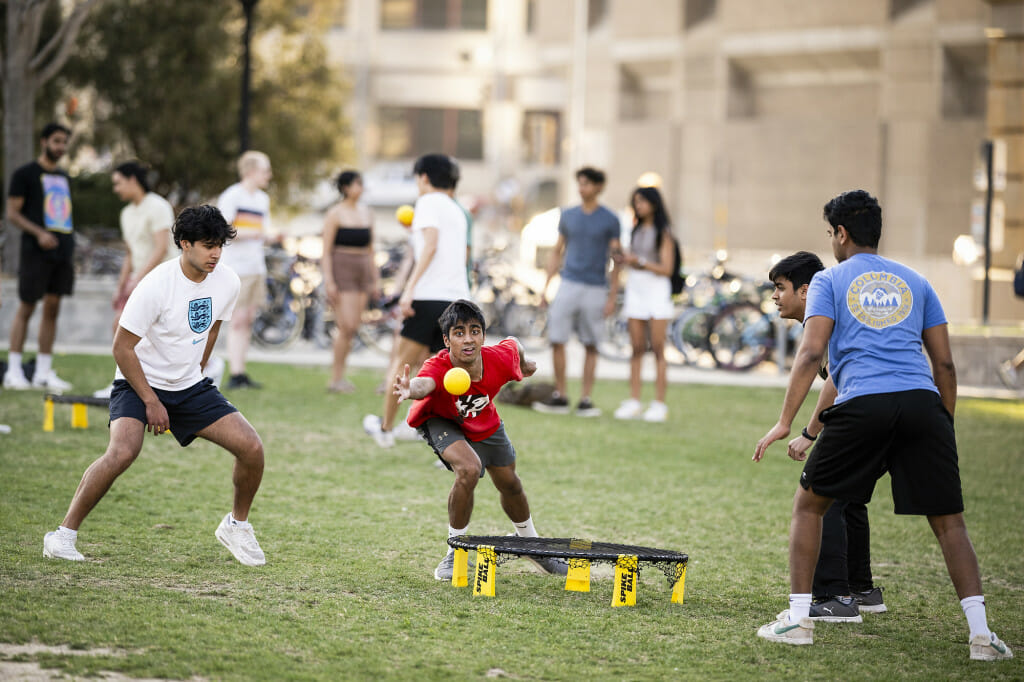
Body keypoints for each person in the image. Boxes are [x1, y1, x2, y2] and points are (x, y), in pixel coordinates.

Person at [752, 190, 1012, 661]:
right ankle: (982, 635)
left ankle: (797, 620)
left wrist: (783, 422)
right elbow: (946, 366)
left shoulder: (829, 280)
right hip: (922, 404)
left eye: (831, 233)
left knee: (809, 507)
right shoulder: (917, 281)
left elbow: (812, 354)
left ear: (841, 234)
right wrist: (941, 425)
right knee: (950, 523)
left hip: (863, 404)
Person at [42, 205, 267, 566]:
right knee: (122, 452)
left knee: (252, 448)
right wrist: (150, 400)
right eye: (208, 245)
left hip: (190, 385)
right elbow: (121, 347)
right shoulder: (156, 286)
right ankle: (62, 535)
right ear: (184, 243)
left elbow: (213, 328)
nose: (216, 254)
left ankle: (236, 526)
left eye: (220, 245)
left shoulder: (228, 280)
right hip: (137, 382)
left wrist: (197, 371)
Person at [394, 299, 567, 580]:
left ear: (483, 336)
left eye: (475, 331)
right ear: (446, 340)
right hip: (440, 419)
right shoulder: (438, 366)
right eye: (459, 333)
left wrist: (524, 364)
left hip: (482, 417)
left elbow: (513, 342)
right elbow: (424, 383)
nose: (468, 339)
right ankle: (455, 552)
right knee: (469, 469)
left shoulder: (498, 358)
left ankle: (529, 544)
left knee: (510, 483)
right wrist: (410, 388)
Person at [766, 251, 886, 623]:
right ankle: (862, 590)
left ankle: (836, 597)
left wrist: (807, 432)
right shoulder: (832, 314)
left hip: (868, 410)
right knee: (848, 499)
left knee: (822, 496)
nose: (774, 296)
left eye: (780, 288)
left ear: (806, 291)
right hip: (894, 409)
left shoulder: (826, 321)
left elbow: (835, 380)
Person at [363, 154, 469, 448]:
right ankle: (449, 444)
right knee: (448, 375)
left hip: (428, 298)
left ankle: (385, 430)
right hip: (457, 301)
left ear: (423, 177)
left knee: (402, 365)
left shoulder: (427, 203)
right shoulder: (457, 211)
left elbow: (431, 246)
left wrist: (409, 290)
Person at [533, 167, 621, 417]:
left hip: (595, 287)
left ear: (599, 187)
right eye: (580, 183)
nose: (582, 188)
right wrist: (545, 288)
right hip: (568, 284)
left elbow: (617, 259)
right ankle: (561, 395)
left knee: (591, 344)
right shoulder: (568, 215)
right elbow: (557, 251)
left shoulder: (610, 220)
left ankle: (585, 399)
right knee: (557, 339)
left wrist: (612, 296)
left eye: (587, 184)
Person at [93, 161, 178, 399]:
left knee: (124, 327)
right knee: (124, 329)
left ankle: (122, 384)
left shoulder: (158, 206)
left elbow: (161, 248)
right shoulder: (126, 213)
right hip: (140, 281)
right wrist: (121, 285)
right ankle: (124, 383)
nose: (115, 189)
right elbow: (131, 253)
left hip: (161, 280)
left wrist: (138, 279)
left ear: (133, 180)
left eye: (118, 183)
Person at [3, 122, 76, 392]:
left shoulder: (65, 177)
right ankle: (13, 371)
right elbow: (12, 213)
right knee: (27, 307)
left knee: (53, 309)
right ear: (44, 141)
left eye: (64, 142)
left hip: (62, 251)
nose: (61, 147)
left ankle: (43, 373)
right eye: (57, 141)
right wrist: (39, 233)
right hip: (35, 251)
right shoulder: (25, 174)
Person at [612, 186, 677, 423]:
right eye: (635, 201)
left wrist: (638, 260)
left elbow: (666, 269)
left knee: (659, 348)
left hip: (657, 291)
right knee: (636, 348)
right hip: (636, 289)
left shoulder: (664, 232)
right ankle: (634, 400)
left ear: (653, 203)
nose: (638, 205)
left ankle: (659, 403)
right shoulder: (636, 229)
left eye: (642, 201)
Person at [217, 150, 273, 390]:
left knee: (248, 319)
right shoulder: (232, 196)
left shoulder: (262, 200)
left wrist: (271, 236)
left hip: (255, 267)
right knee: (237, 320)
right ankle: (235, 373)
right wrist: (256, 234)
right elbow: (223, 231)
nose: (269, 175)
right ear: (250, 171)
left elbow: (264, 232)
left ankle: (241, 371)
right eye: (265, 170)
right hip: (235, 268)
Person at [322, 170, 377, 393]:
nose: (360, 188)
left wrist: (375, 279)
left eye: (362, 183)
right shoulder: (334, 214)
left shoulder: (367, 213)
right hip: (341, 269)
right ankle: (336, 378)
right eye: (356, 184)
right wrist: (329, 281)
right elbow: (325, 251)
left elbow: (372, 250)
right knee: (345, 325)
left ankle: (341, 376)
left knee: (354, 327)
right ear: (345, 187)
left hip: (362, 269)